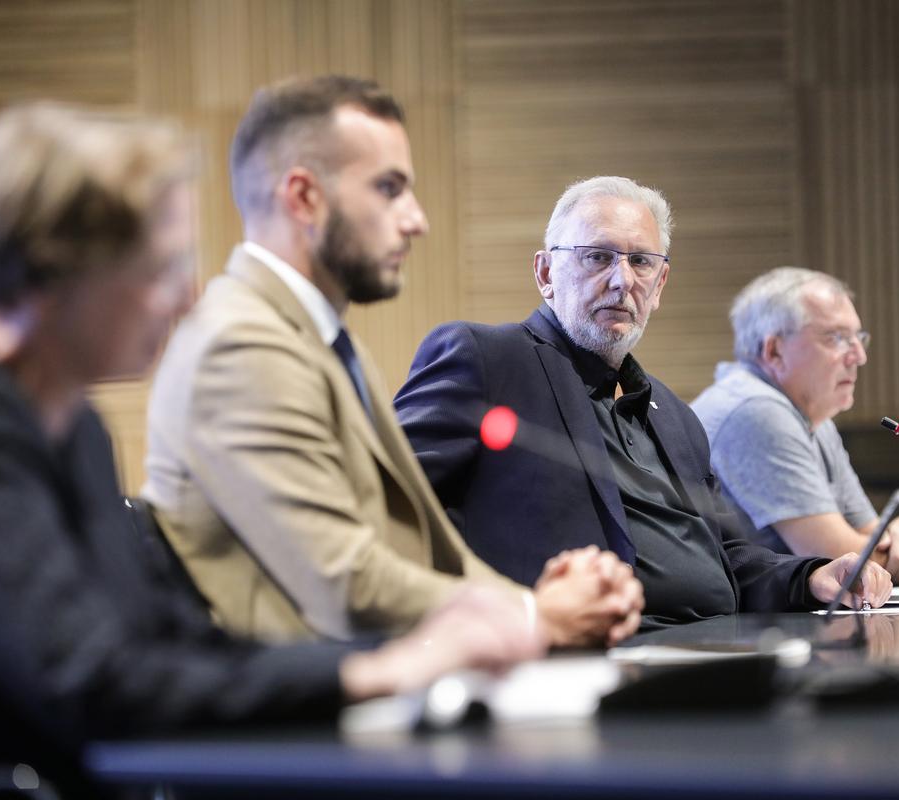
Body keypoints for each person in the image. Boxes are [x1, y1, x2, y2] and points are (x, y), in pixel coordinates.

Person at [0, 102, 545, 786]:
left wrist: (401, 660)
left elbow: (166, 641)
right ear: (56, 272)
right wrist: (384, 672)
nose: (189, 295)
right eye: (161, 268)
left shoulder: (69, 422)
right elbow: (89, 682)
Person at [142, 75, 643, 647]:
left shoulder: (312, 340)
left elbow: (423, 550)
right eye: (389, 188)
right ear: (304, 197)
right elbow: (340, 578)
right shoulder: (240, 344)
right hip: (296, 718)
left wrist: (540, 606)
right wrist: (536, 617)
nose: (416, 220)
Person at [393, 176, 892, 630]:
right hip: (586, 660)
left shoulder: (675, 416)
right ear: (546, 272)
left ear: (660, 286)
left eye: (640, 262)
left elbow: (728, 558)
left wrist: (813, 577)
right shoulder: (488, 360)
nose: (622, 280)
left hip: (717, 652)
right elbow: (386, 505)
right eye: (597, 257)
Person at [690, 267, 899, 585]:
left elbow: (870, 536)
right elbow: (842, 560)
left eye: (859, 337)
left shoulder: (814, 416)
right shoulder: (755, 411)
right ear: (774, 351)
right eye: (837, 338)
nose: (858, 356)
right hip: (731, 627)